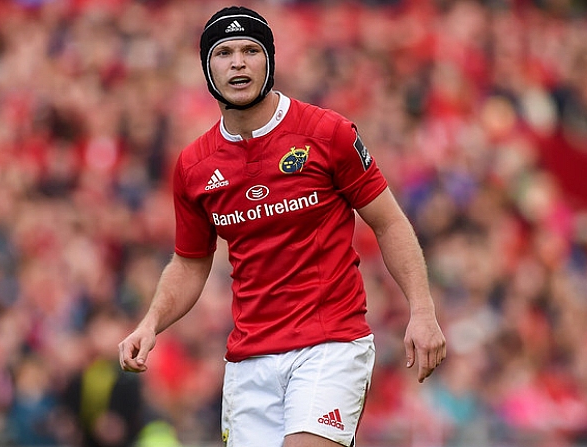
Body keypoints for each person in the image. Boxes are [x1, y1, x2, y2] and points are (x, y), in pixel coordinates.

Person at [118, 5, 447, 447]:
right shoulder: (194, 165)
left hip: (331, 343)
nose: (238, 62)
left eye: (251, 50)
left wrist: (422, 311)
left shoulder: (327, 133)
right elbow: (190, 262)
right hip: (249, 359)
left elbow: (388, 223)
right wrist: (150, 323)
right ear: (207, 68)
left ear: (269, 61)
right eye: (225, 52)